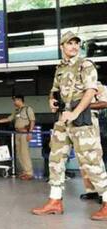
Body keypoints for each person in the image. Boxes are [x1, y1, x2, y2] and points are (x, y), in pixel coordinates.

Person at [31, 31, 107, 220]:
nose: (73, 46)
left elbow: (90, 91)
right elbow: (54, 90)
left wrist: (75, 112)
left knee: (91, 162)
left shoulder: (85, 64)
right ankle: (55, 201)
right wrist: (51, 100)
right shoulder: (60, 68)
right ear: (62, 47)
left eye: (76, 43)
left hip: (82, 120)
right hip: (63, 119)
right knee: (55, 159)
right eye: (69, 43)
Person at [0, 95, 36, 180]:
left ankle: (29, 173)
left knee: (24, 152)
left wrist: (30, 132)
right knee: (19, 153)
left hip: (25, 132)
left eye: (15, 100)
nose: (14, 103)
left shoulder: (28, 109)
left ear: (19, 100)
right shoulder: (16, 111)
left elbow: (32, 121)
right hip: (17, 133)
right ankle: (24, 171)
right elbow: (8, 119)